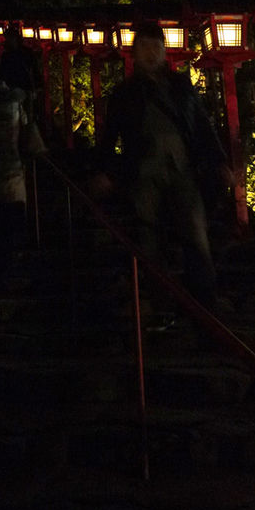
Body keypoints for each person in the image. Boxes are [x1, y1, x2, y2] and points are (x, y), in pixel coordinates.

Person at [91, 22, 234, 316]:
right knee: (148, 238)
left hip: (182, 168)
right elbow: (110, 136)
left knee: (195, 231)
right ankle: (161, 305)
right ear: (134, 52)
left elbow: (203, 127)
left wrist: (220, 162)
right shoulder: (125, 93)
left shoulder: (180, 87)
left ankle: (204, 304)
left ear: (164, 51)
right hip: (143, 170)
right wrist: (104, 170)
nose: (150, 53)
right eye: (144, 46)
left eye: (156, 46)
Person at [0, 71, 28, 293]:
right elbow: (27, 132)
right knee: (12, 221)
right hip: (13, 167)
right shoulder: (15, 104)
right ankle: (10, 263)